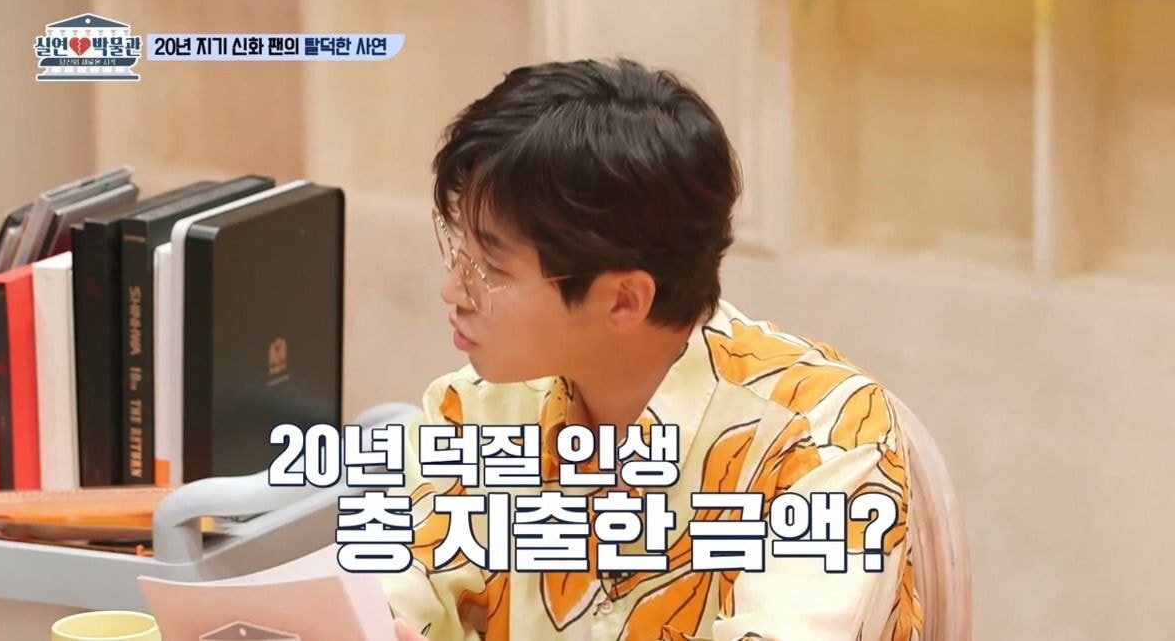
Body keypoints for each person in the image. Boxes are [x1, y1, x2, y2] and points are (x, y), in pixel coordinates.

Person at [380, 58, 922, 641]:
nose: (453, 291)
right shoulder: (472, 413)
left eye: (490, 267)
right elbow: (385, 600)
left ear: (623, 300)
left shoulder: (822, 436)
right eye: (458, 252)